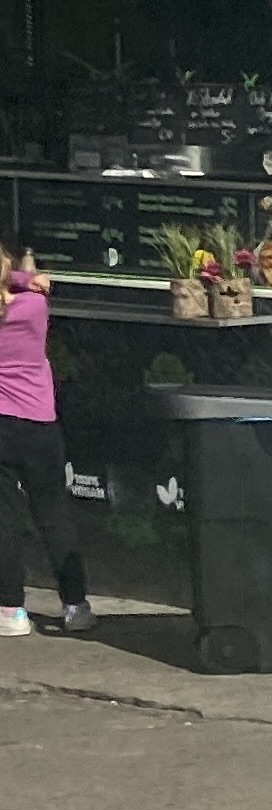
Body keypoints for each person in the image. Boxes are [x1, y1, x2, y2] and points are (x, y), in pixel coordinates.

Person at [0, 238, 90, 638]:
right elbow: (38, 282)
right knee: (53, 515)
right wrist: (21, 277)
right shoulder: (34, 307)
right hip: (39, 424)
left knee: (5, 520)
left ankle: (10, 610)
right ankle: (75, 606)